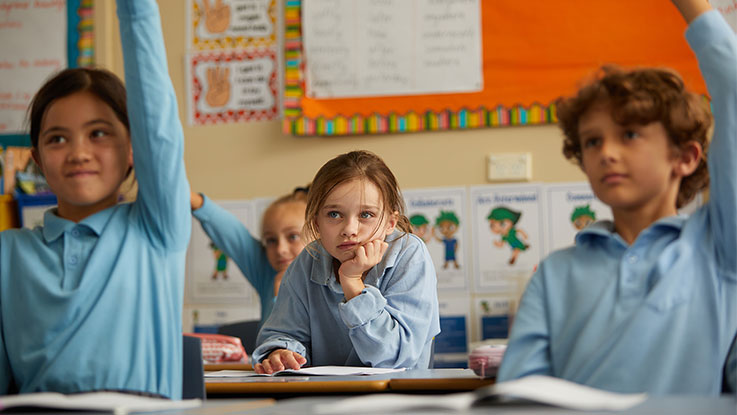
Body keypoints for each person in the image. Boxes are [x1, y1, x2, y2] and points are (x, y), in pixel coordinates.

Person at [497, 0, 737, 395]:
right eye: (592, 141)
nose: (606, 152)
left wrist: (693, 7)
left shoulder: (717, 247)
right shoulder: (554, 274)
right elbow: (521, 395)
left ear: (686, 157)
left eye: (629, 134)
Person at [0, 0, 190, 398]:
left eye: (99, 133)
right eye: (57, 138)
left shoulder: (156, 229)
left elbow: (157, 123)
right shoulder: (8, 253)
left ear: (134, 149)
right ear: (37, 160)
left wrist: (136, 11)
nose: (78, 152)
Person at [251, 150, 440, 373]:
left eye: (366, 215)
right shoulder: (308, 260)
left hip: (396, 399)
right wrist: (282, 353)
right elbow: (283, 334)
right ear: (317, 223)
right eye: (334, 214)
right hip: (324, 399)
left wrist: (352, 283)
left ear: (390, 223)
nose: (349, 230)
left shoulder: (409, 254)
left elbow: (394, 357)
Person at [190, 187, 308, 323]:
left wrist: (281, 298)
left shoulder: (332, 284)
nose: (281, 249)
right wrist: (194, 200)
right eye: (271, 240)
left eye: (293, 236)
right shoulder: (267, 273)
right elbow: (233, 234)